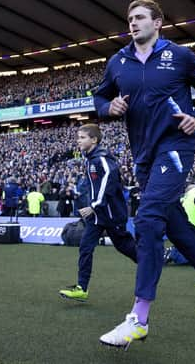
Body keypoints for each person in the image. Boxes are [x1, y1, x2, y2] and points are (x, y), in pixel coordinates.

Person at [94, 0, 195, 348]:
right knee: (169, 217)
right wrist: (109, 107)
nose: (133, 23)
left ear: (158, 22)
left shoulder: (179, 55)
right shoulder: (117, 61)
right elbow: (99, 97)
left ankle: (139, 317)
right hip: (144, 155)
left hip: (176, 146)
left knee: (149, 218)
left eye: (139, 18)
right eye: (129, 18)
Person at [58, 124, 138, 302]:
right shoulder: (90, 159)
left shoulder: (101, 159)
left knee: (123, 246)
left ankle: (148, 264)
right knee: (85, 247)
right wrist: (84, 199)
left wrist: (94, 205)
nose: (78, 140)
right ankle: (82, 288)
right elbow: (95, 185)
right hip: (97, 216)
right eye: (78, 137)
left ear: (94, 140)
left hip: (111, 213)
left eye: (82, 137)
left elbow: (109, 179)